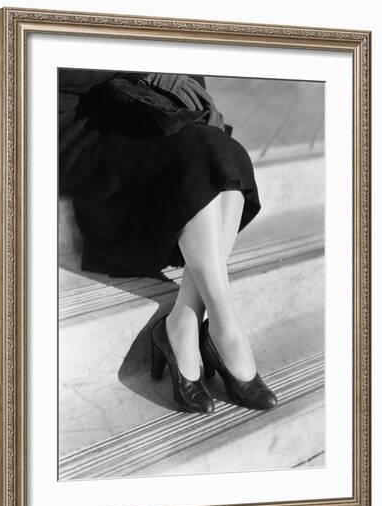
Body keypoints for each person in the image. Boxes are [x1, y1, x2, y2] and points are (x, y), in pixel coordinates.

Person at [59, 69, 278, 415]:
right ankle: (226, 330)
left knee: (228, 156)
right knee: (199, 161)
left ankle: (184, 321)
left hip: (147, 105)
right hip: (82, 117)